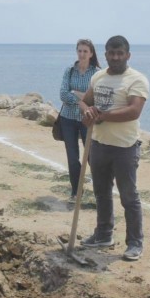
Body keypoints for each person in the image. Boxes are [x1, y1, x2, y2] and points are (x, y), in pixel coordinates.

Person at [78, 35, 149, 261]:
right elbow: (85, 101)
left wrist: (101, 116)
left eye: (120, 54)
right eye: (112, 53)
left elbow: (134, 111)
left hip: (125, 147)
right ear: (106, 54)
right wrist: (87, 111)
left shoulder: (136, 79)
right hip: (98, 144)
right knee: (101, 192)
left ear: (128, 55)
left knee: (129, 196)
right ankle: (103, 234)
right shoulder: (98, 76)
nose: (116, 57)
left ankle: (135, 242)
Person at [59, 39, 100, 203]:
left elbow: (98, 96)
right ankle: (76, 192)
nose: (82, 54)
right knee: (72, 157)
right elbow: (62, 94)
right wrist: (82, 100)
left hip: (87, 120)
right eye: (79, 51)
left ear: (91, 53)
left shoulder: (97, 73)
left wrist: (76, 93)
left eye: (85, 51)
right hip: (67, 118)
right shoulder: (69, 71)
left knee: (92, 157)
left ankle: (99, 193)